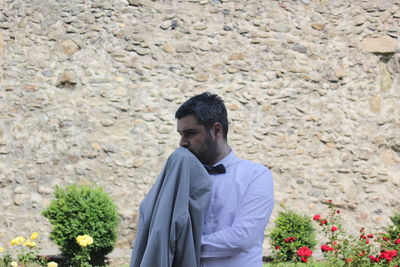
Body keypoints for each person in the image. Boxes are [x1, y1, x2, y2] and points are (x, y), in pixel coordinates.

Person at [175, 92, 274, 267]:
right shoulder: (182, 178)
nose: (182, 142)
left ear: (216, 130)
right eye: (181, 134)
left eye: (190, 133)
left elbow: (241, 238)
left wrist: (181, 247)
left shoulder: (256, 175)